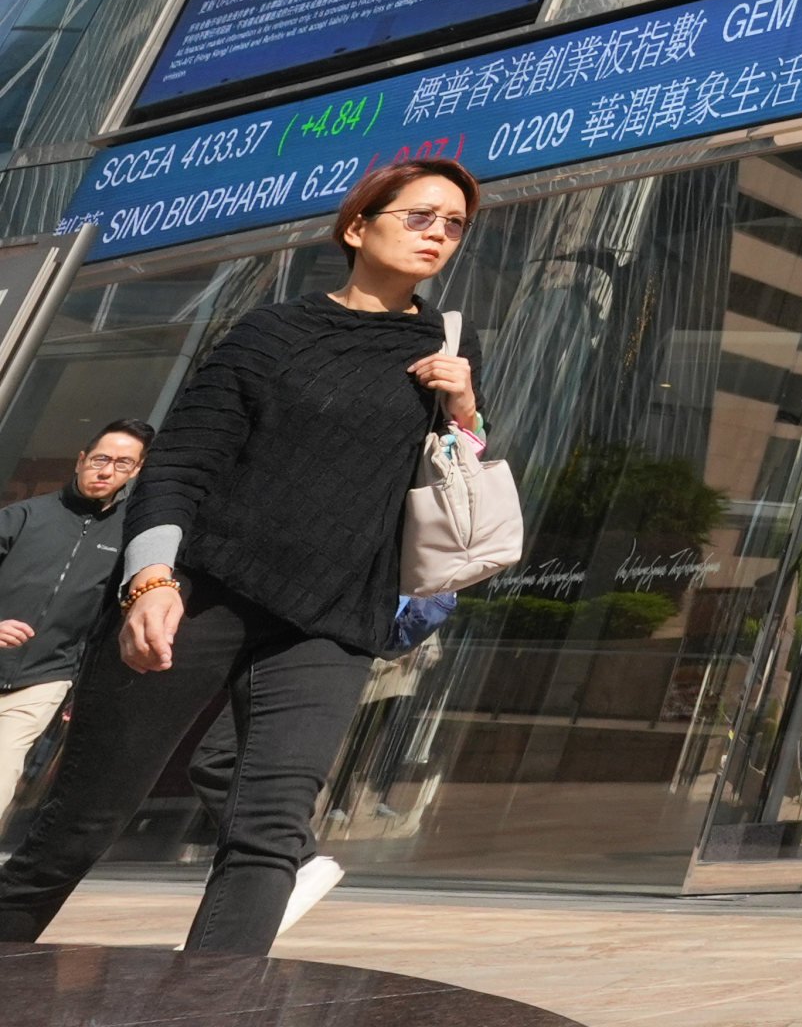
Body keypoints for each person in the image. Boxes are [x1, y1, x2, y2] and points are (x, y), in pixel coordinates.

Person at [0, 159, 484, 955]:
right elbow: (182, 466)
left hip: (331, 620)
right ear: (358, 227)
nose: (439, 233)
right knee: (77, 828)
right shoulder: (271, 334)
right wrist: (151, 578)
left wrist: (463, 408)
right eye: (421, 215)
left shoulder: (447, 350)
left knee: (268, 835)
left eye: (454, 224)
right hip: (204, 592)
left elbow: (449, 481)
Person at [0, 423, 146, 819]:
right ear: (81, 459)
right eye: (100, 459)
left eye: (121, 463)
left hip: (44, 678)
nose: (106, 471)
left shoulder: (130, 537)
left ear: (135, 471)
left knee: (1, 776)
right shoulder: (24, 516)